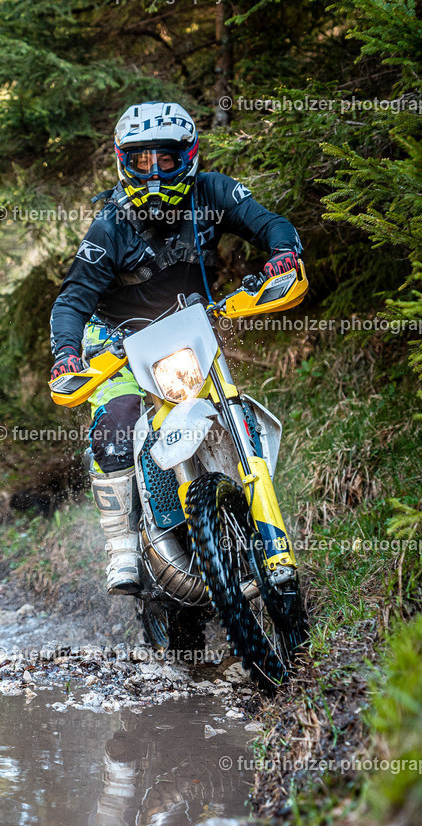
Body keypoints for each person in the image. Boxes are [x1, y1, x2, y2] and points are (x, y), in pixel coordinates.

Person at [50, 101, 303, 595]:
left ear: (189, 155)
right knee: (118, 419)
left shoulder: (214, 191)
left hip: (192, 328)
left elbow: (270, 222)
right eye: (141, 161)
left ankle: (256, 521)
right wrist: (66, 351)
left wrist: (283, 254)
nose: (154, 171)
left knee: (226, 406)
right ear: (124, 161)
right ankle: (122, 546)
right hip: (118, 339)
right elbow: (73, 298)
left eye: (165, 159)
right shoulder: (111, 225)